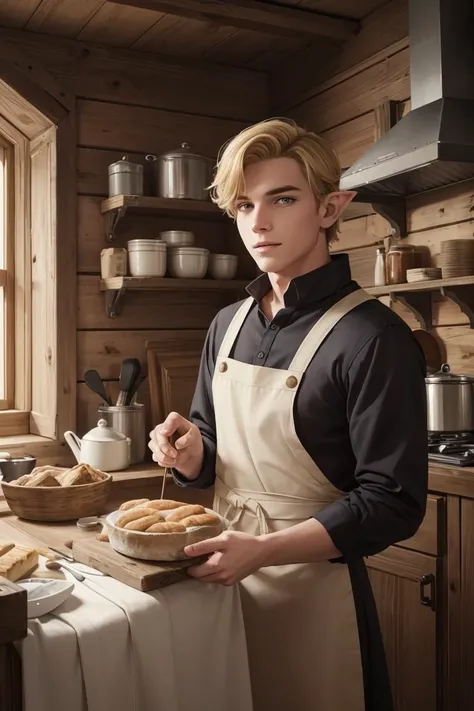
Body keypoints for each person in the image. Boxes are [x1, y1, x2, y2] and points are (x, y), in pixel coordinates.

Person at [148, 118, 428, 711]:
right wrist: (191, 451)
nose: (259, 222)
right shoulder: (227, 324)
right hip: (219, 572)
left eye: (283, 199)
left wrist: (265, 550)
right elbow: (211, 447)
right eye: (244, 205)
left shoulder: (373, 338)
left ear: (330, 207)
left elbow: (391, 502)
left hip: (313, 592)